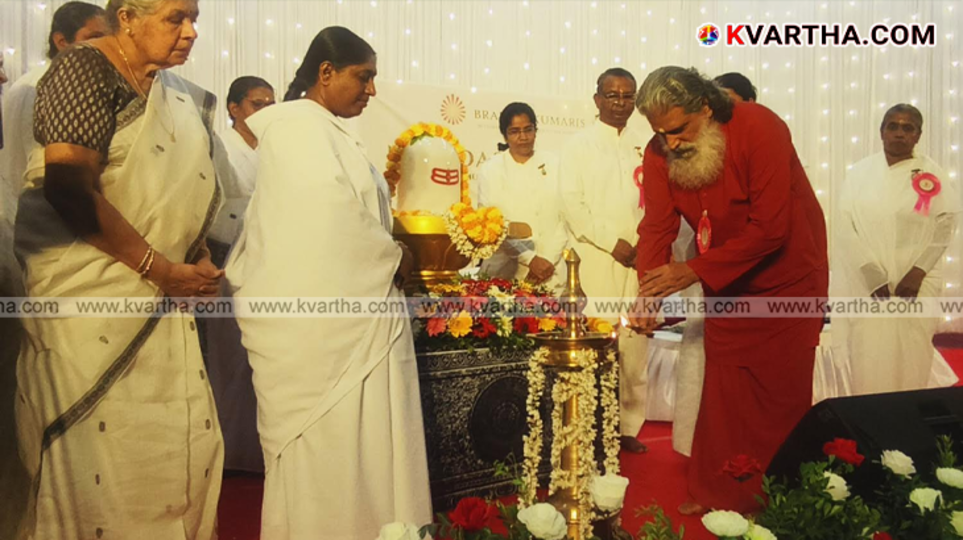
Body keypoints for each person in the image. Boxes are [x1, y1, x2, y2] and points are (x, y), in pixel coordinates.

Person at [12, 0, 225, 537]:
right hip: (89, 308)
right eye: (176, 17)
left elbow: (185, 196)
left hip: (163, 307)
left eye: (194, 18)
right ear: (127, 16)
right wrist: (159, 268)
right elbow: (67, 188)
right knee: (94, 466)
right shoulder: (84, 69)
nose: (191, 32)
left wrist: (194, 258)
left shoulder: (178, 96)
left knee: (175, 450)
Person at [225, 26, 431, 539]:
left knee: (366, 453)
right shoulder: (298, 128)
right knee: (333, 452)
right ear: (325, 73)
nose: (372, 90)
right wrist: (395, 253)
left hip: (358, 322)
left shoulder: (322, 128)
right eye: (364, 77)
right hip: (327, 339)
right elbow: (329, 221)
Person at [631, 66, 828, 514]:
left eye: (678, 130)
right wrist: (648, 293)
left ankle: (778, 496)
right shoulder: (660, 149)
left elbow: (772, 228)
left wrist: (691, 272)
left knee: (779, 394)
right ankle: (717, 492)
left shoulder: (760, 126)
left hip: (788, 276)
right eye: (661, 133)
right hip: (728, 278)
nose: (671, 143)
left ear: (706, 107)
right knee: (724, 393)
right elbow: (657, 225)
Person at [833, 104, 960, 395]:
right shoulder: (860, 173)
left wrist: (918, 271)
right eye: (893, 126)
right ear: (881, 132)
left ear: (918, 135)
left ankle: (908, 427)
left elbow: (945, 224)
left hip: (917, 283)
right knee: (868, 354)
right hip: (867, 284)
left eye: (908, 128)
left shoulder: (932, 174)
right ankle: (871, 428)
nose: (899, 133)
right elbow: (844, 226)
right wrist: (871, 273)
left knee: (912, 354)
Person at [558, 67, 649, 453]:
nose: (620, 103)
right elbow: (570, 204)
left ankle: (627, 426)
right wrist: (612, 242)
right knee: (597, 340)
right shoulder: (578, 146)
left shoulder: (647, 145)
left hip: (638, 259)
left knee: (634, 346)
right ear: (596, 99)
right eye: (612, 95)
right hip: (596, 258)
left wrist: (646, 240)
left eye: (628, 96)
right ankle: (591, 423)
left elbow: (658, 201)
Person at [204, 76, 275, 474]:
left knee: (263, 356)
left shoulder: (275, 147)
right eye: (256, 104)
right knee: (230, 355)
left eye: (270, 104)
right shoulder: (217, 145)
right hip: (225, 256)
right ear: (234, 109)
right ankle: (228, 450)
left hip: (268, 258)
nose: (265, 111)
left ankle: (259, 446)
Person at [0, 1, 108, 226]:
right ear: (61, 41)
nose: (104, 47)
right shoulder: (49, 85)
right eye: (95, 37)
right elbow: (38, 168)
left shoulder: (35, 82)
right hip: (45, 221)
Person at [473, 102, 567, 288]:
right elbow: (493, 227)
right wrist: (530, 259)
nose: (523, 137)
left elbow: (566, 217)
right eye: (515, 131)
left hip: (552, 270)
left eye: (528, 129)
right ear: (505, 135)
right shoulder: (491, 169)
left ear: (535, 130)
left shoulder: (556, 164)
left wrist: (547, 259)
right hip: (505, 273)